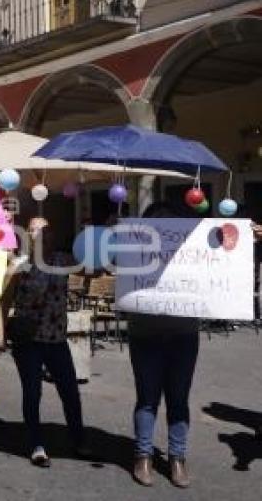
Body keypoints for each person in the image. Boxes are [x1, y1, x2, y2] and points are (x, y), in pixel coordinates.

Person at [129, 202, 200, 488]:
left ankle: (177, 459)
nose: (164, 228)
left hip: (184, 334)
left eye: (170, 224)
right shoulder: (134, 248)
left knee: (179, 400)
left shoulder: (192, 252)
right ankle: (143, 456)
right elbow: (104, 261)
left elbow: (226, 259)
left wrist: (247, 238)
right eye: (158, 222)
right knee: (147, 399)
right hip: (145, 335)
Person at [8, 217, 88, 468]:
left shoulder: (62, 261)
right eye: (35, 230)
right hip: (28, 341)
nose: (42, 234)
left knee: (70, 392)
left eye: (47, 229)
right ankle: (36, 445)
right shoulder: (20, 265)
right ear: (29, 236)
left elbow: (89, 267)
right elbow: (3, 300)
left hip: (56, 340)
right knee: (32, 393)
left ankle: (78, 439)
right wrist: (0, 333)